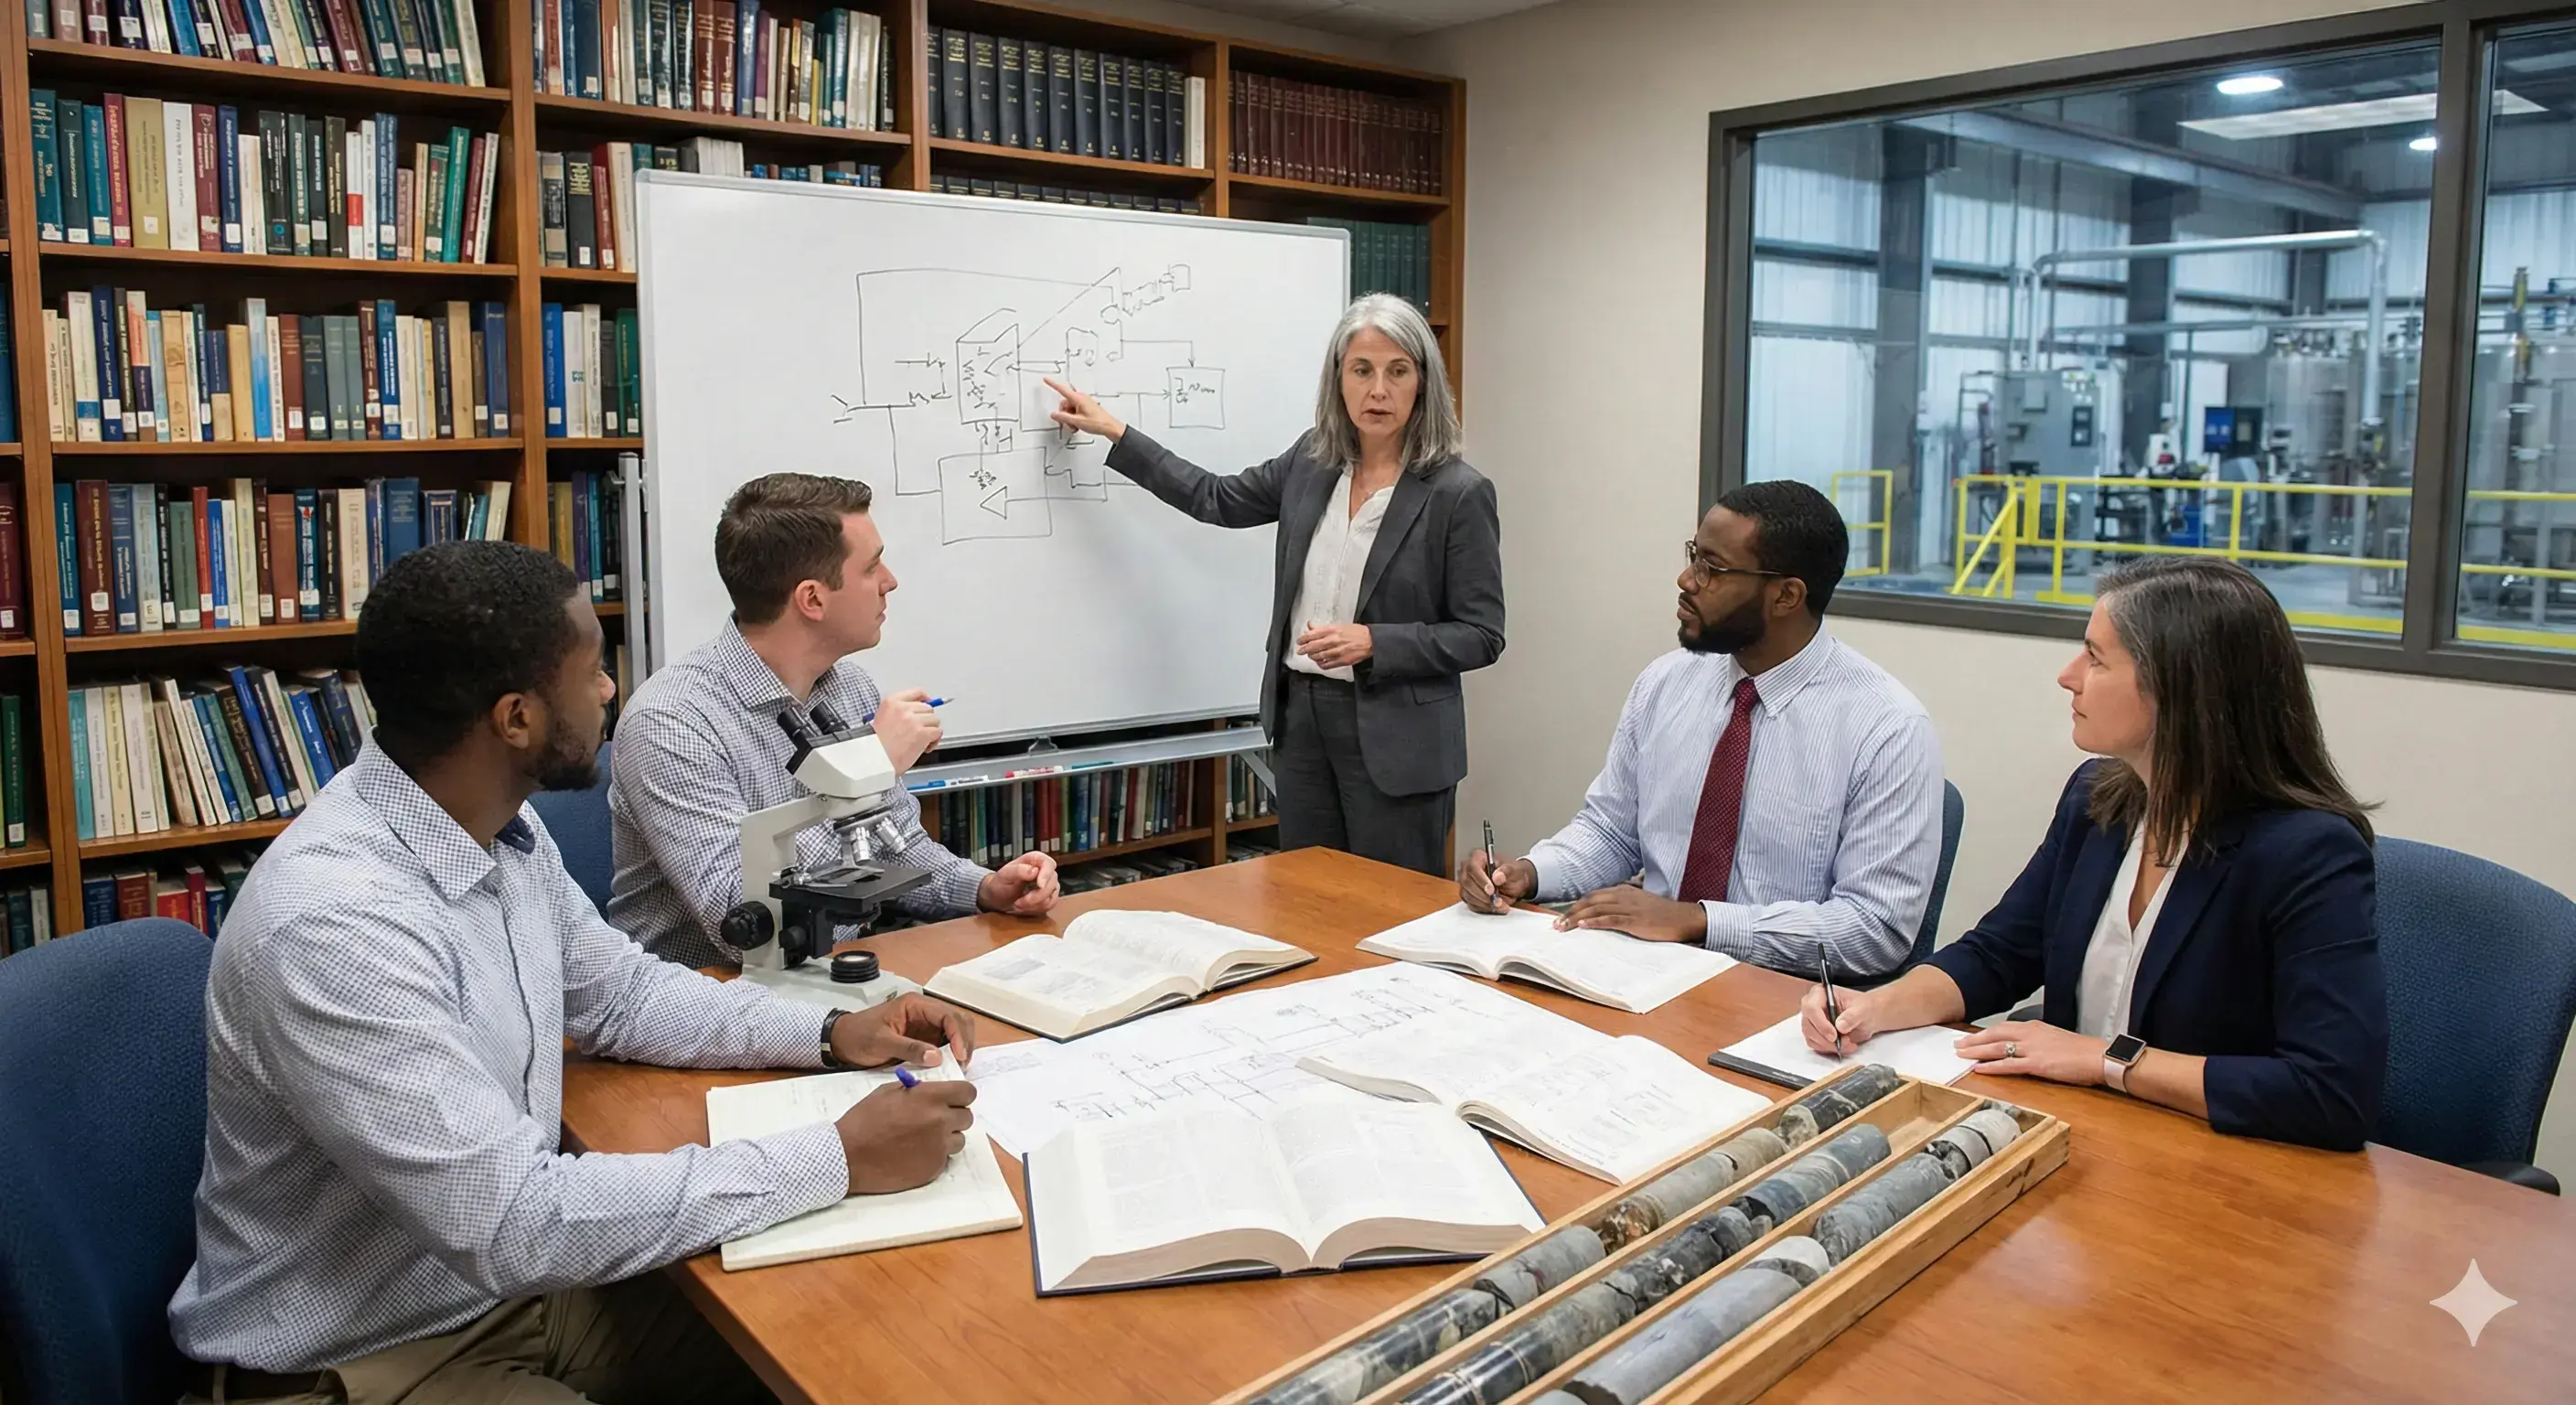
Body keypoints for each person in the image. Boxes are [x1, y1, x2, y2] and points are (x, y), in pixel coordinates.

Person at [169, 542, 982, 1402]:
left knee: (838, 1336)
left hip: (502, 1298)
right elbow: (514, 1220)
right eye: (592, 671)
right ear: (515, 718)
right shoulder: (337, 928)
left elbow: (623, 997)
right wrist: (836, 1157)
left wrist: (827, 1033)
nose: (608, 692)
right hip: (361, 1359)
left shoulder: (494, 826)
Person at [1801, 557, 2385, 1152]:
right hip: (2080, 1136)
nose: (2068, 675)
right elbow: (2002, 953)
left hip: (2214, 1163)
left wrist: (2106, 1060)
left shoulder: (2308, 854)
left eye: (2096, 658)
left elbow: (2329, 1092)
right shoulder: (2098, 800)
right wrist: (1876, 1009)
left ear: (2179, 690)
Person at [1042, 293, 1504, 877]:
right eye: (1361, 370)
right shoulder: (1312, 462)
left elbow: (1482, 634)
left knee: (1388, 912)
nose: (1378, 390)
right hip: (1302, 721)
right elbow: (1215, 498)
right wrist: (1117, 432)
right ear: (1339, 380)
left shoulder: (1458, 493)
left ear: (1423, 383)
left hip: (1398, 739)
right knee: (1307, 898)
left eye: (1397, 371)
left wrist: (1374, 642)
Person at [1460, 480, 1943, 978]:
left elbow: (1875, 928)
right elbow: (1613, 832)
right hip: (1640, 967)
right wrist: (1528, 873)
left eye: (1712, 569)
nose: (1686, 580)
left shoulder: (1887, 729)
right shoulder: (1666, 682)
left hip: (1779, 1000)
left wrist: (1699, 922)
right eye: (1694, 556)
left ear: (1786, 596)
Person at [611, 473, 1059, 969]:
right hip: (707, 994)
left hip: (832, 965)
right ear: (813, 599)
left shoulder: (848, 688)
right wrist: (868, 767)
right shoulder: (672, 722)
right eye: (872, 568)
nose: (891, 581)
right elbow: (748, 923)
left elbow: (891, 844)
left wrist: (983, 888)